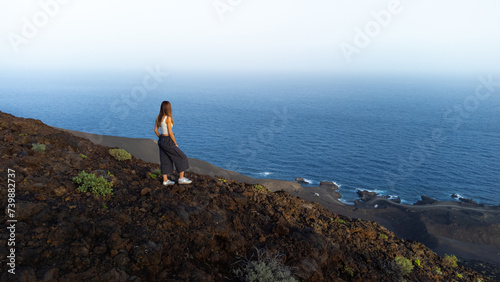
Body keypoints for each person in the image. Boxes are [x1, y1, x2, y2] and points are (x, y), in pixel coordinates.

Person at [154, 101, 192, 185]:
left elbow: (155, 130)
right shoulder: (168, 118)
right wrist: (175, 143)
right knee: (181, 157)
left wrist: (160, 138)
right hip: (168, 140)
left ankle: (165, 180)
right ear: (168, 108)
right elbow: (170, 133)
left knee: (164, 159)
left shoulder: (158, 117)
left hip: (161, 140)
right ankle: (181, 178)